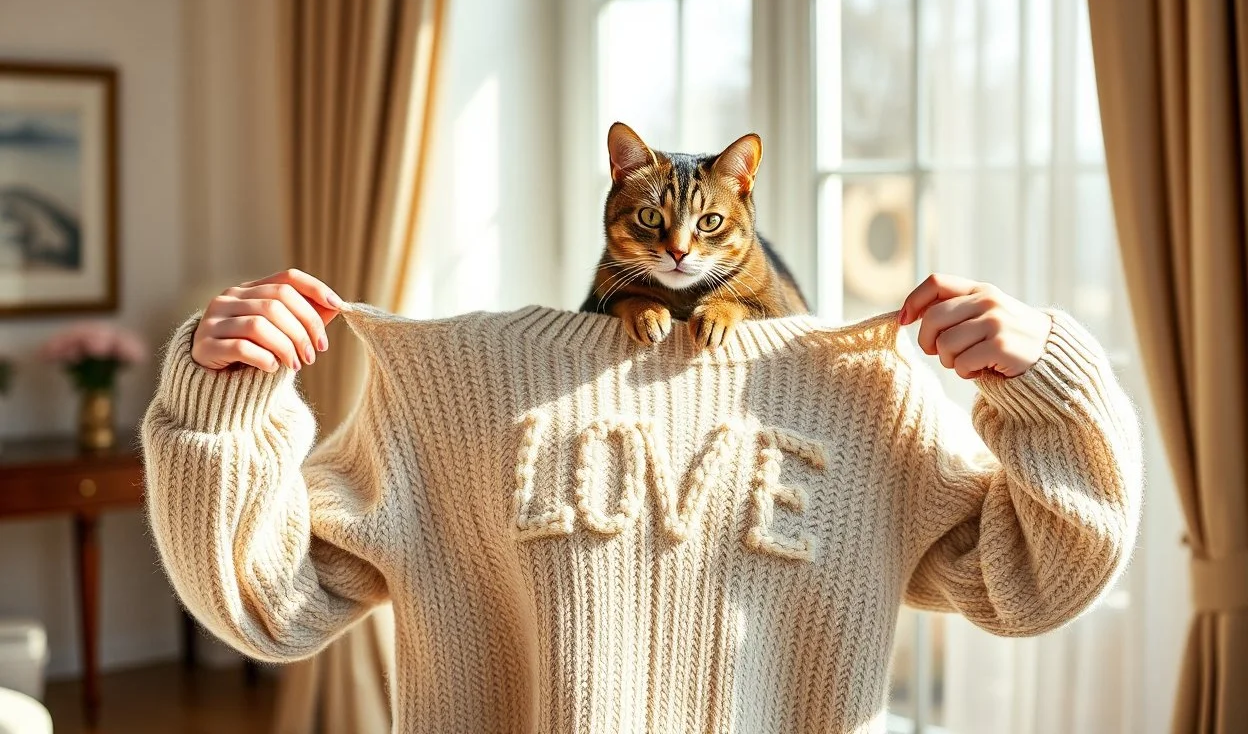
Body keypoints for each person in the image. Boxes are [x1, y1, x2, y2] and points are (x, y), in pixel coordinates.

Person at [142, 267, 1142, 734]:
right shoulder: (458, 387)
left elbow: (1035, 585)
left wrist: (1053, 386)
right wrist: (215, 402)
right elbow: (273, 602)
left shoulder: (862, 394)